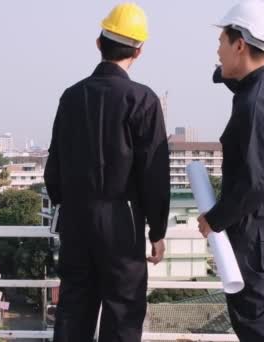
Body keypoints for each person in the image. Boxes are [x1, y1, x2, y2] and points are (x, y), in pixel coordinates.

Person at [44, 3, 170, 341]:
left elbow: (52, 170)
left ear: (99, 42)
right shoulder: (143, 100)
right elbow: (154, 176)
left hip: (77, 221)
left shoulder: (71, 97)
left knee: (73, 314)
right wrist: (157, 231)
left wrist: (68, 205)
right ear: (139, 51)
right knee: (123, 317)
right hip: (123, 225)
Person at [196, 1, 264, 341]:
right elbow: (244, 84)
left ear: (239, 43)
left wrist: (215, 218)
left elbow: (258, 179)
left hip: (254, 242)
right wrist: (222, 73)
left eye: (222, 42)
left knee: (258, 329)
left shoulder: (254, 104)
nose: (217, 50)